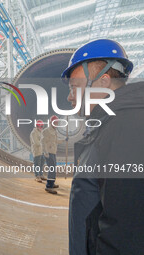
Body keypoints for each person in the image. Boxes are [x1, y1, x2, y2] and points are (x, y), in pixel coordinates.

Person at [62, 38, 144, 254]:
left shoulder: (128, 128)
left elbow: (125, 235)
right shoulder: (108, 127)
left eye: (74, 87)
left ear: (103, 81)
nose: (70, 97)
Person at [41, 115, 63, 194]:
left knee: (53, 169)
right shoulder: (46, 131)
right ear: (51, 122)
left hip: (53, 152)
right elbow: (43, 142)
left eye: (57, 122)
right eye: (55, 122)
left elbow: (56, 141)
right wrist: (46, 152)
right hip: (48, 153)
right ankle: (49, 187)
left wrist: (63, 140)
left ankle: (52, 183)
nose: (57, 124)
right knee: (52, 170)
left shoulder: (54, 131)